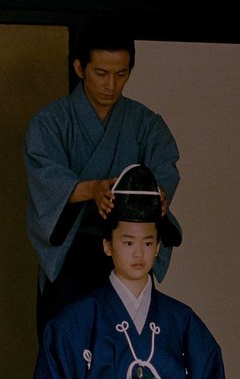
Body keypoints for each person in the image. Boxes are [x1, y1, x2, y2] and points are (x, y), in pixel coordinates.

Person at [20, 164, 233, 379]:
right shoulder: (74, 323)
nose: (138, 253)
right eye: (128, 242)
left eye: (148, 242)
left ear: (158, 247)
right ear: (107, 245)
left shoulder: (184, 323)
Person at [23, 15, 182, 341]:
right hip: (71, 257)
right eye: (101, 73)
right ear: (80, 68)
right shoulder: (50, 123)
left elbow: (164, 168)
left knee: (132, 352)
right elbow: (45, 175)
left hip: (126, 254)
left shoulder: (146, 124)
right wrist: (90, 189)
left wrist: (157, 196)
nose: (111, 85)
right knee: (67, 349)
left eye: (121, 74)